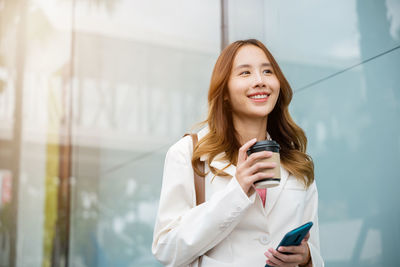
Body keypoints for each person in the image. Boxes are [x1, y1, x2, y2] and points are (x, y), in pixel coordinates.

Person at [152, 39, 324, 267]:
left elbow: (316, 250)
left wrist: (307, 257)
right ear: (223, 92)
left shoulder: (297, 164)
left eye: (267, 71)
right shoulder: (188, 154)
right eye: (245, 73)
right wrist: (237, 190)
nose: (260, 81)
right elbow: (166, 248)